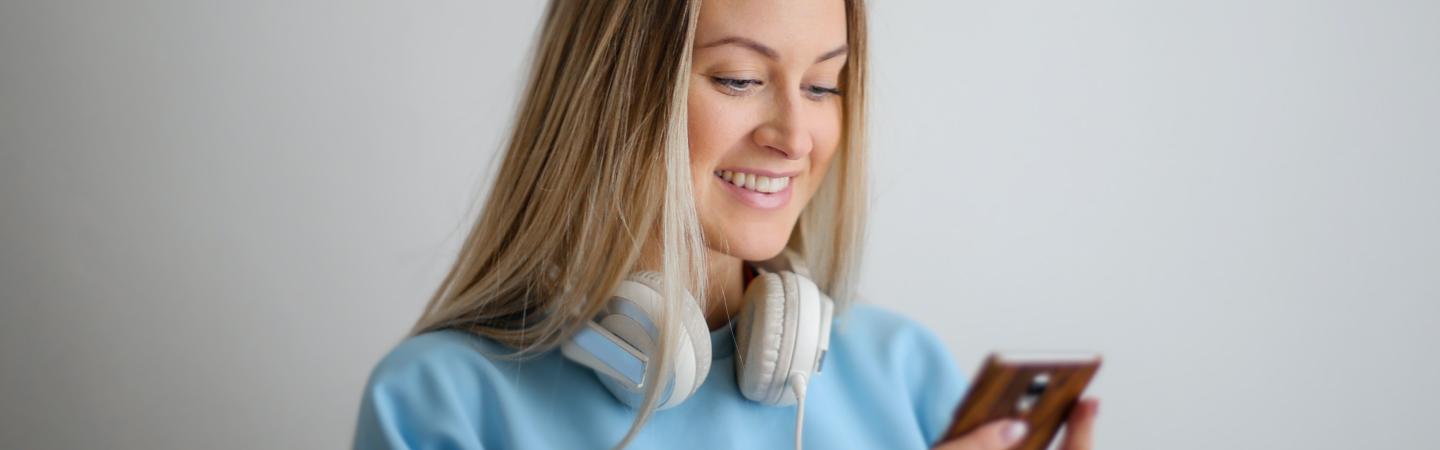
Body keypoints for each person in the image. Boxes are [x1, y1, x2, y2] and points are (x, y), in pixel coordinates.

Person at [352, 0, 1099, 449]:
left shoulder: (904, 373)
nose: (795, 135)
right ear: (610, 94)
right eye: (740, 79)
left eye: (822, 85)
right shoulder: (441, 404)